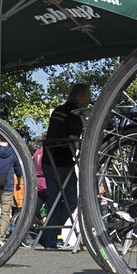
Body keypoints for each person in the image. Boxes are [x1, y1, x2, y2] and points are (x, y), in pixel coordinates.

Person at [36, 82, 89, 249]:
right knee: (71, 200)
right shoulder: (75, 113)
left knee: (54, 199)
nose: (90, 100)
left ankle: (49, 236)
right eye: (88, 96)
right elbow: (73, 138)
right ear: (80, 97)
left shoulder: (58, 110)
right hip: (63, 162)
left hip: (48, 160)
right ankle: (50, 236)